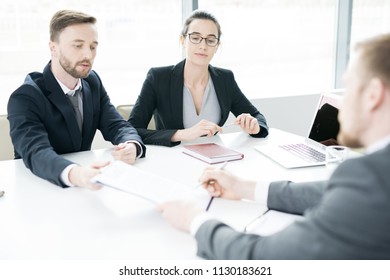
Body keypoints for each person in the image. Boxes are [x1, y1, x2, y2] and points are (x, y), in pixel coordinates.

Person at [157, 33, 390, 259]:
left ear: (373, 95)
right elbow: (328, 194)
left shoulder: (370, 178)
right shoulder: (372, 176)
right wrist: (243, 187)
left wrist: (195, 220)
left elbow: (262, 258)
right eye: (195, 38)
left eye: (348, 87)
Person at [7, 10, 146, 189]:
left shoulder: (92, 82)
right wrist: (75, 174)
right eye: (78, 45)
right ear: (53, 48)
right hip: (38, 188)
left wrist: (131, 145)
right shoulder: (25, 97)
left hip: (84, 187)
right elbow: (36, 152)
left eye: (93, 46)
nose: (88, 55)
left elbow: (117, 125)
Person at [128, 10, 268, 147]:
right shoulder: (158, 78)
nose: (203, 46)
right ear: (182, 40)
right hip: (172, 160)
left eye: (211, 40)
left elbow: (258, 117)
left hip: (213, 159)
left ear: (217, 46)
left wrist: (254, 126)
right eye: (195, 38)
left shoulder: (225, 79)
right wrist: (183, 134)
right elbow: (132, 130)